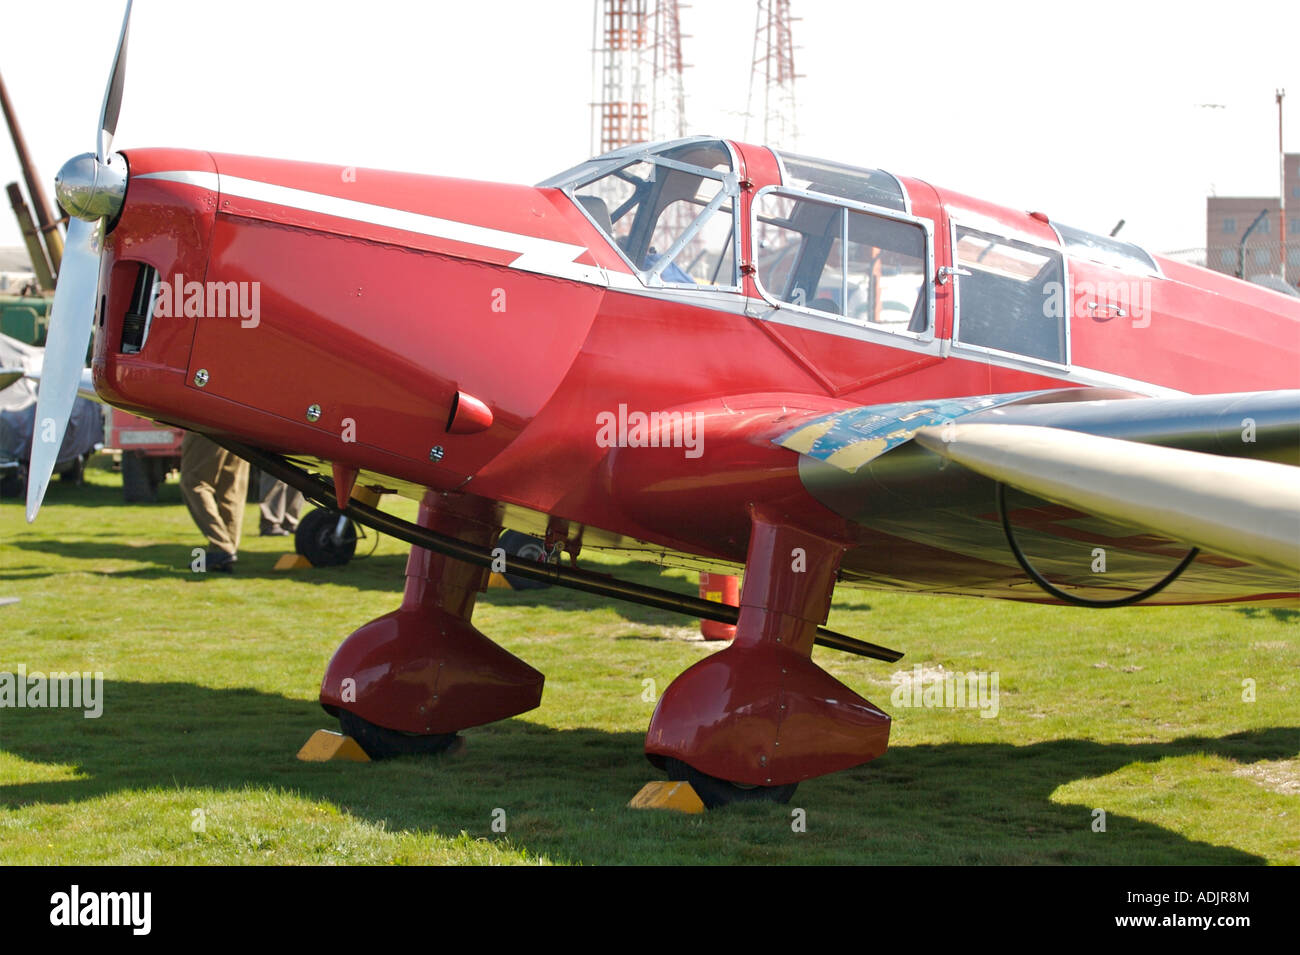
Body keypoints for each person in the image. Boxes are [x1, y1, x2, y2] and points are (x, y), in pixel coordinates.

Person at [179, 432, 249, 572]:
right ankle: (224, 551)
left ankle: (222, 546)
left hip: (206, 423)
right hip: (240, 424)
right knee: (231, 490)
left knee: (194, 482)